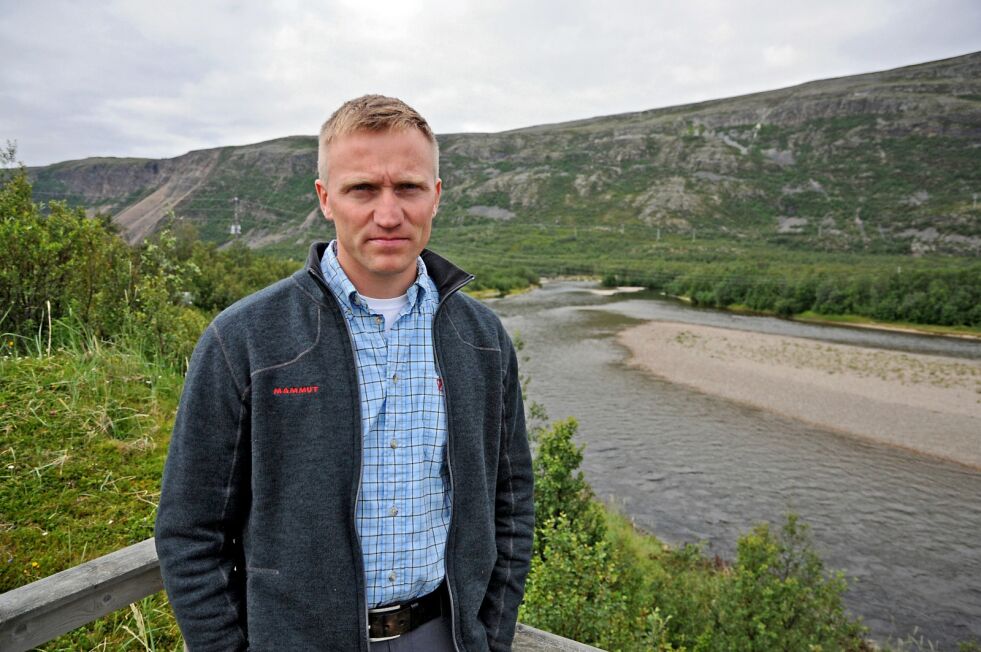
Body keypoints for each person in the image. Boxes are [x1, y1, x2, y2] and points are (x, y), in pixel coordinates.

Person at [155, 95, 534, 651]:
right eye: (362, 189)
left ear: (436, 195)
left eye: (407, 187)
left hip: (445, 636)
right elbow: (190, 530)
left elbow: (511, 502)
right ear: (325, 199)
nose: (388, 213)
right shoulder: (245, 339)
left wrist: (490, 637)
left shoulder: (482, 339)